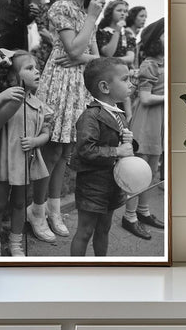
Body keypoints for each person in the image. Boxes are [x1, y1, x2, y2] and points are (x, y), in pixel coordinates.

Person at [35, 0, 104, 238]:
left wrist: (82, 56)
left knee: (66, 152)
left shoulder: (86, 15)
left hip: (78, 84)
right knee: (52, 151)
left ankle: (53, 210)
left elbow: (95, 57)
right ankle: (36, 210)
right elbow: (73, 48)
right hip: (60, 79)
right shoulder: (62, 6)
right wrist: (93, 17)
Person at [0, 49, 53, 257]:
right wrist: (3, 96)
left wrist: (35, 141)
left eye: (37, 68)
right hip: (0, 163)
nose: (37, 72)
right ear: (14, 76)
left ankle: (16, 245)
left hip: (24, 163)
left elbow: (46, 134)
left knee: (20, 204)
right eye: (29, 68)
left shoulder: (39, 106)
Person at [70, 57, 135, 256]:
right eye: (125, 79)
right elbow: (85, 150)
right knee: (85, 231)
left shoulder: (119, 114)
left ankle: (101, 265)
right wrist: (117, 151)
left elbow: (121, 144)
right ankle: (75, 272)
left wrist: (129, 141)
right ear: (105, 87)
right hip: (92, 185)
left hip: (113, 183)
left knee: (104, 229)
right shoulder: (90, 116)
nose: (130, 84)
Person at [126, 18, 165, 236]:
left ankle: (144, 211)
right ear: (155, 40)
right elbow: (145, 98)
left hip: (157, 122)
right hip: (146, 121)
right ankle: (129, 216)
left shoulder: (163, 63)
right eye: (164, 33)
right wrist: (169, 95)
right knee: (139, 172)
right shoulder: (149, 64)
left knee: (152, 170)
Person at [96, 0, 136, 121]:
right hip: (107, 74)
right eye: (119, 10)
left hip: (123, 73)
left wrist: (110, 60)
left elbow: (130, 58)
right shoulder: (102, 31)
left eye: (125, 11)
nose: (123, 13)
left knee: (125, 99)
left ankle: (128, 120)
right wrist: (117, 31)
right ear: (110, 12)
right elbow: (108, 52)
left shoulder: (128, 35)